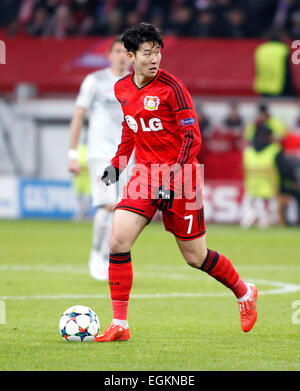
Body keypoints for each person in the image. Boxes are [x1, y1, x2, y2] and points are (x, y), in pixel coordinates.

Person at [94, 23, 258, 342]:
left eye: (158, 51)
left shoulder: (173, 88)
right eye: (147, 52)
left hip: (182, 177)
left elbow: (192, 138)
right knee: (117, 241)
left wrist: (172, 179)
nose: (155, 58)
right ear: (130, 56)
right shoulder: (121, 89)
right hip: (143, 175)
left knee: (195, 257)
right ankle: (120, 324)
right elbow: (131, 128)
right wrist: (118, 163)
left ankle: (244, 291)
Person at [68, 36, 132, 281]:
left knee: (122, 210)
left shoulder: (136, 84)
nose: (121, 56)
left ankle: (107, 253)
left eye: (126, 52)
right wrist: (73, 154)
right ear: (109, 54)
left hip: (127, 156)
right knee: (108, 204)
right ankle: (98, 254)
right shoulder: (95, 81)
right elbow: (78, 116)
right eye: (117, 51)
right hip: (101, 155)